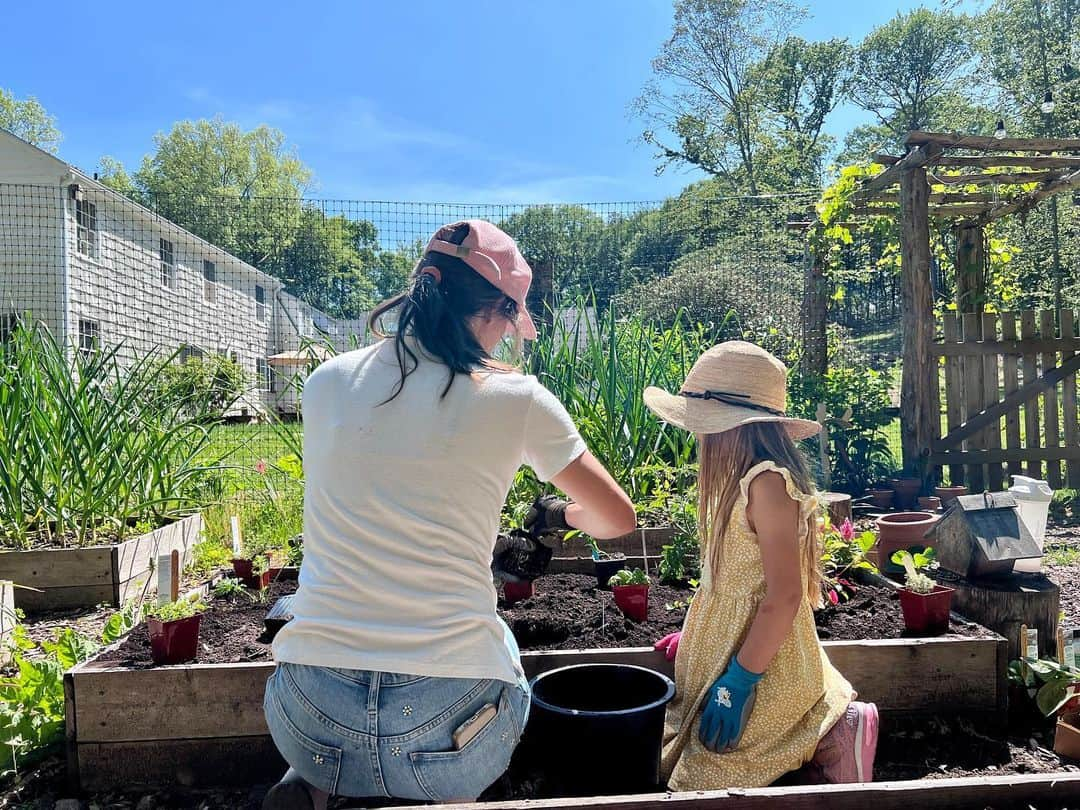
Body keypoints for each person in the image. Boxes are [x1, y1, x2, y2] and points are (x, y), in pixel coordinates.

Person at [262, 220, 635, 809]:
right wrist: (562, 512)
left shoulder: (325, 382)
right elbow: (618, 518)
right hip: (444, 730)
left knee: (325, 703)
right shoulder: (517, 399)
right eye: (511, 320)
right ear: (495, 312)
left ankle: (308, 784)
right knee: (501, 655)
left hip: (310, 716)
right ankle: (446, 798)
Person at [646, 341, 878, 790]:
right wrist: (700, 633)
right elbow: (732, 577)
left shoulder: (767, 484)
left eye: (704, 425)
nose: (698, 436)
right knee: (675, 755)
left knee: (710, 773)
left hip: (761, 657)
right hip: (734, 639)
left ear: (734, 428)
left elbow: (785, 595)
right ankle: (819, 732)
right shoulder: (734, 481)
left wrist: (740, 678)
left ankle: (839, 729)